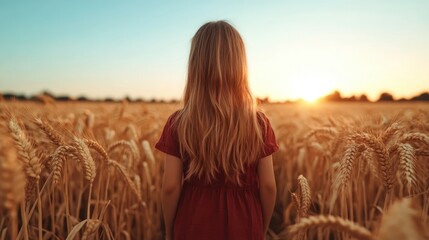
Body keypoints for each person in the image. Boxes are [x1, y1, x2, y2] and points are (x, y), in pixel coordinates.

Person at [155, 20, 278, 240]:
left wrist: (169, 231)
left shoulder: (178, 123)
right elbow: (268, 187)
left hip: (193, 222)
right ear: (240, 66)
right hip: (246, 224)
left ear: (195, 66)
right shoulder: (259, 124)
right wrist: (261, 227)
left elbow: (170, 187)